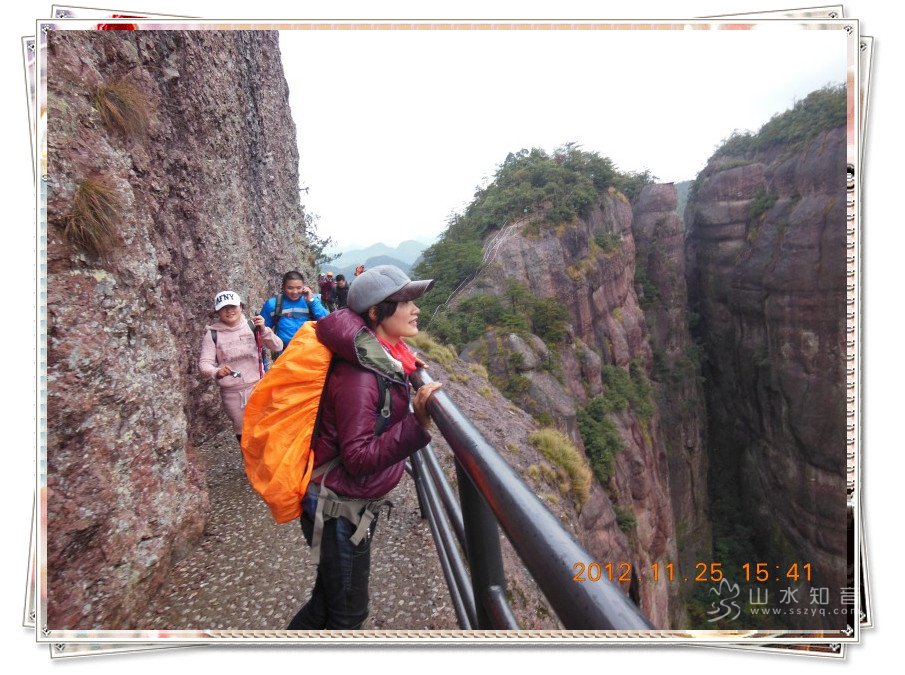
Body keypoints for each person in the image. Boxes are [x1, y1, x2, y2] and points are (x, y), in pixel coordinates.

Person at [287, 265, 442, 630]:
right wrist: (417, 423)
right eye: (405, 302)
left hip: (340, 505)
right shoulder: (359, 376)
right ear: (375, 313)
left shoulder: (381, 357)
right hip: (338, 510)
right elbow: (357, 458)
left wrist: (406, 366)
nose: (415, 309)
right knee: (347, 615)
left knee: (326, 603)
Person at [199, 291, 283, 440]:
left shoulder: (253, 326)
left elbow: (277, 346)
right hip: (232, 394)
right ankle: (249, 456)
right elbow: (204, 364)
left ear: (241, 307)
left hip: (258, 387)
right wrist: (217, 372)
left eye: (233, 306)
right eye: (224, 308)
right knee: (243, 433)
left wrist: (264, 330)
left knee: (266, 429)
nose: (229, 311)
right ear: (217, 312)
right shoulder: (212, 334)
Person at [260, 271, 329, 355]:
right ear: (283, 287)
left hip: (310, 352)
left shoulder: (311, 300)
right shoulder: (273, 304)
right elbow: (262, 331)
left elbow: (328, 321)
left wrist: (312, 302)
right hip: (285, 353)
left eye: (299, 288)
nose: (295, 292)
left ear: (304, 287)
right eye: (290, 288)